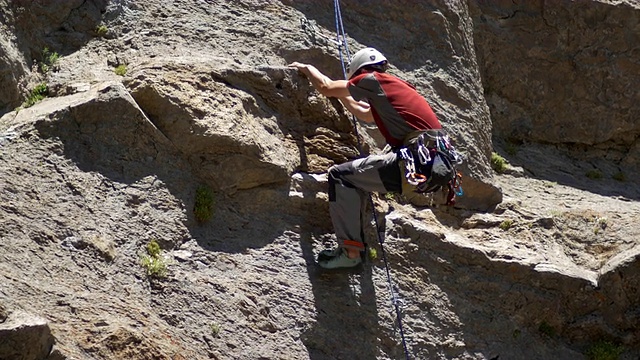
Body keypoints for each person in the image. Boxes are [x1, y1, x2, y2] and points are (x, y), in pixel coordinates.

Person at [289, 47, 442, 269]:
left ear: (360, 71)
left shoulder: (370, 79)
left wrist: (307, 68)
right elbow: (364, 113)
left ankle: (351, 251)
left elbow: (326, 87)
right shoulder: (395, 88)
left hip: (414, 161)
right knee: (356, 176)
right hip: (431, 166)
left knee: (340, 176)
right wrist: (342, 98)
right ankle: (354, 241)